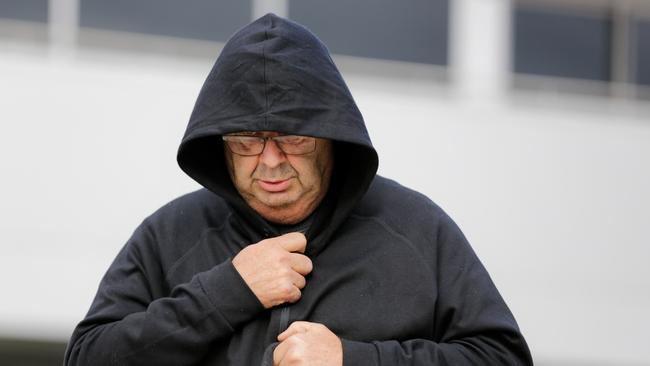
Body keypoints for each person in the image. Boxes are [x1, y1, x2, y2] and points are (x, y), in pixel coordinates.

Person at [64, 13, 532, 366]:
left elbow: (502, 357)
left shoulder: (415, 229)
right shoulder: (170, 234)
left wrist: (353, 359)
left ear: (331, 138)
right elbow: (87, 357)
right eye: (246, 141)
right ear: (220, 145)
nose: (269, 161)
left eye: (293, 139)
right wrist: (227, 292)